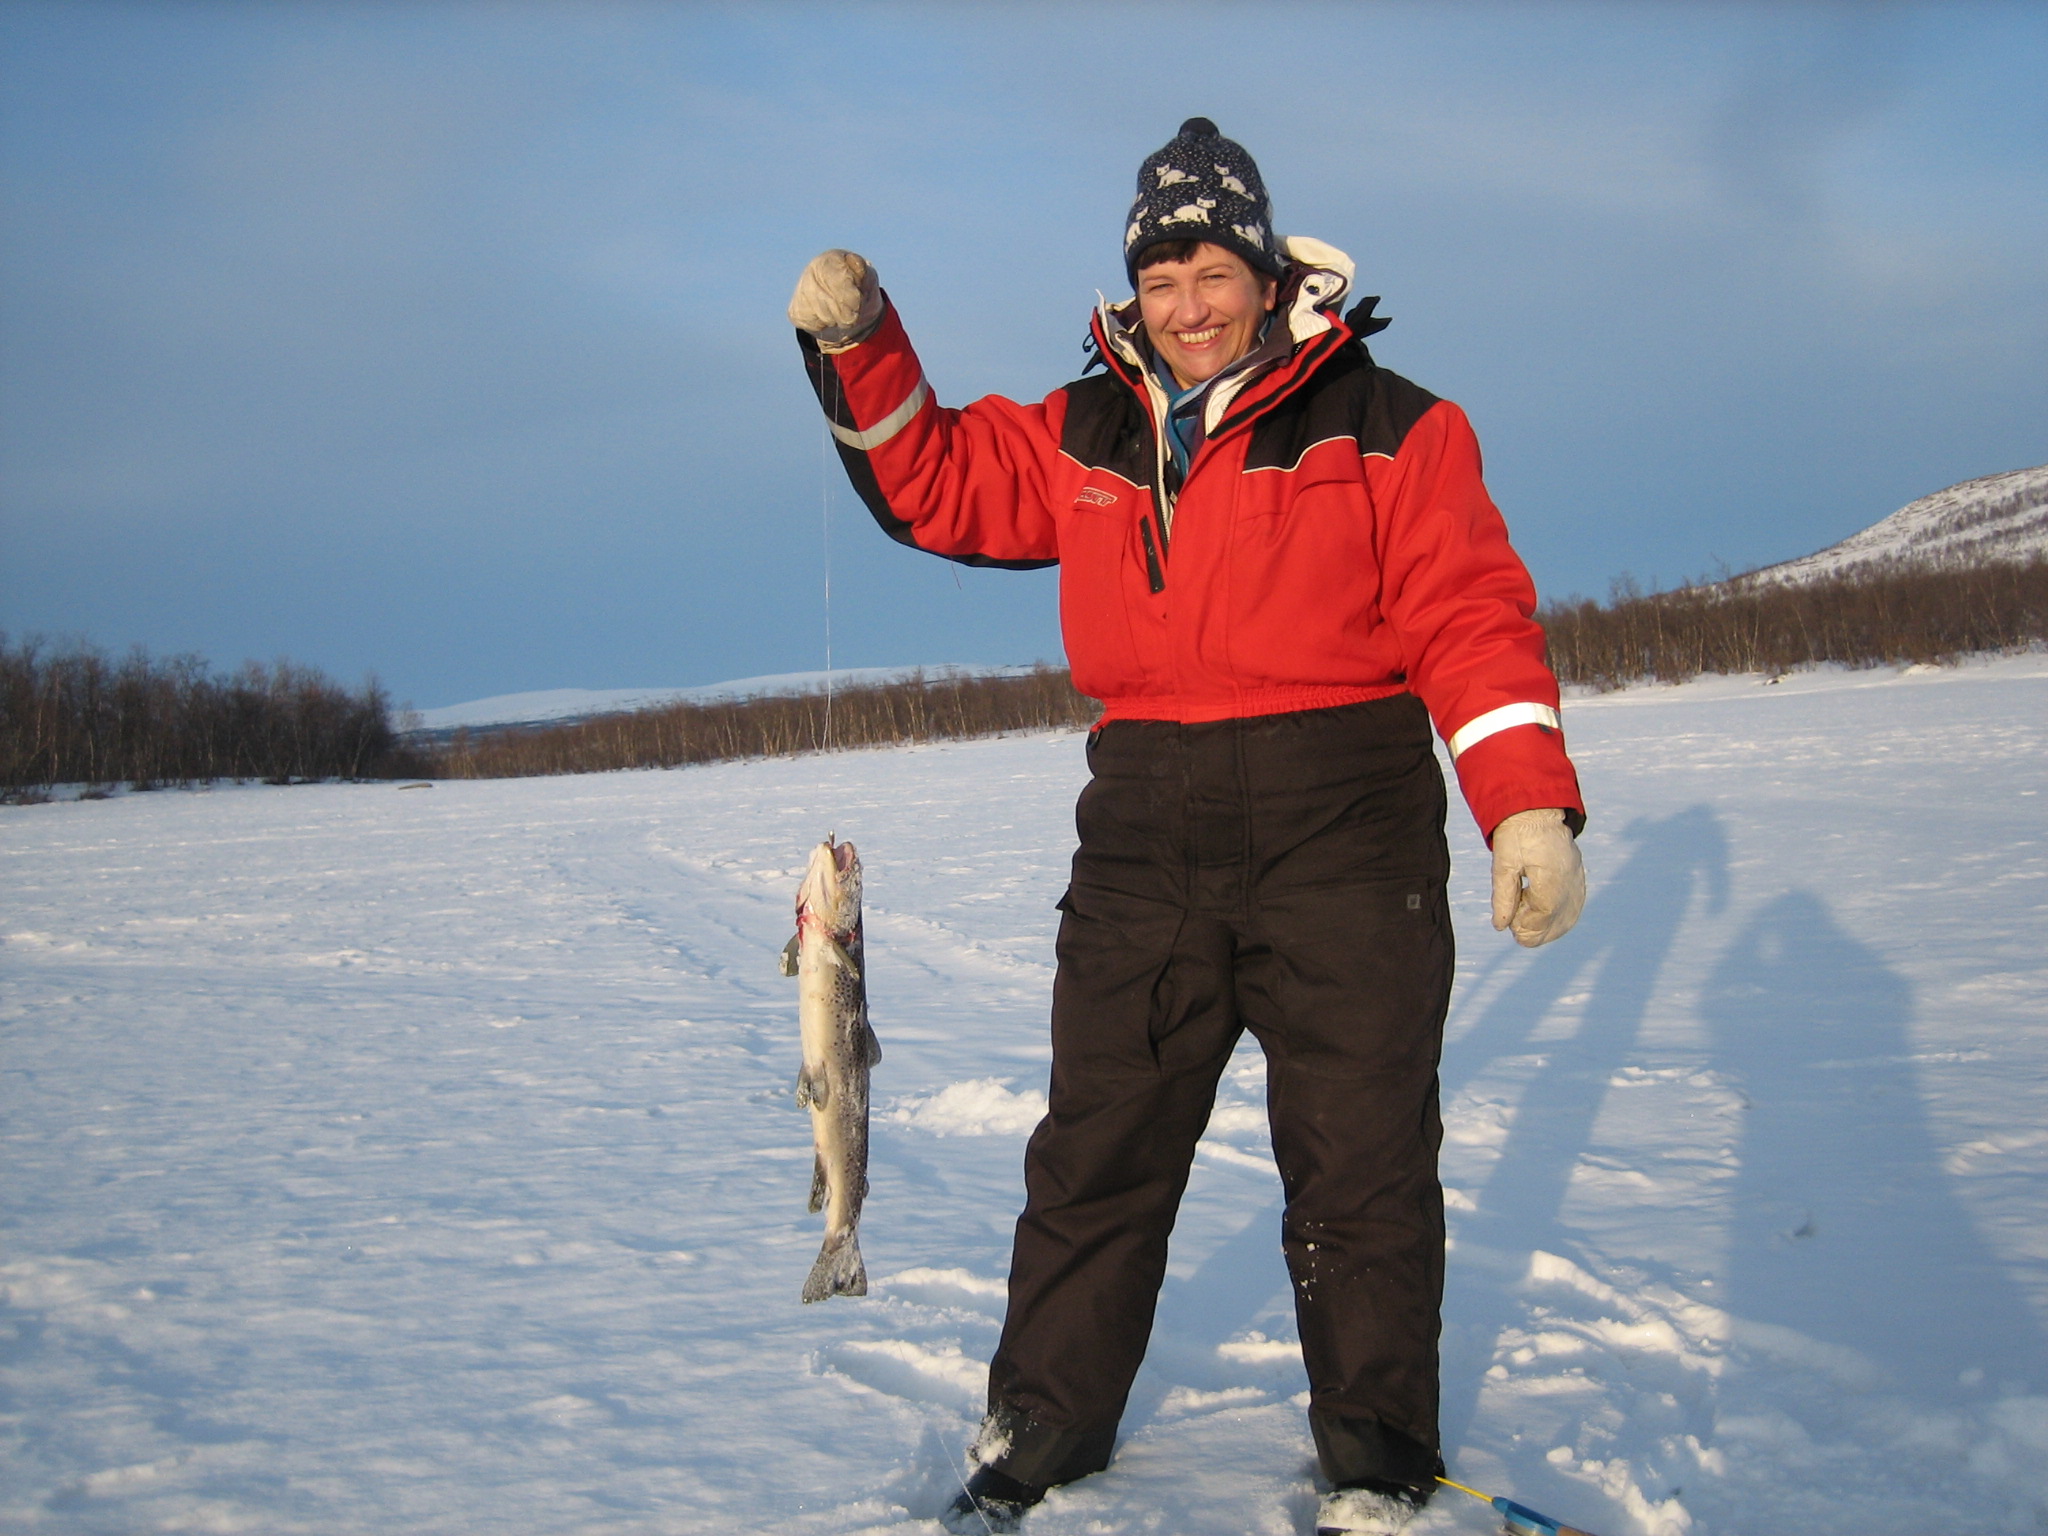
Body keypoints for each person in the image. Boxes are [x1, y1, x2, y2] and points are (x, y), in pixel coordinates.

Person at [787, 119, 1586, 1536]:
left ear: (1270, 273)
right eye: (1162, 278)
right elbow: (937, 480)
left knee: (1361, 1161)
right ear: (1133, 293)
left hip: (1347, 825)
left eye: (1214, 268)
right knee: (1098, 1147)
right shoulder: (1086, 429)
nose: (1190, 304)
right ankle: (1041, 1422)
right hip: (1145, 829)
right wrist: (863, 349)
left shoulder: (1394, 426)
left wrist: (1523, 806)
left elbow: (1469, 617)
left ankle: (1380, 1458)